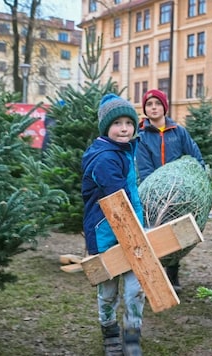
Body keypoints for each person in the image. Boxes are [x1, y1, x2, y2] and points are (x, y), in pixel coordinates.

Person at [81, 93, 145, 356]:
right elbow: (118, 202)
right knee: (108, 291)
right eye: (117, 123)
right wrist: (134, 231)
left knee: (135, 289)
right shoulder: (105, 158)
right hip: (108, 234)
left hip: (131, 230)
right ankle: (110, 333)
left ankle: (132, 335)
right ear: (106, 127)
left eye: (128, 123)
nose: (124, 128)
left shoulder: (123, 151)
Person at [136, 89, 205, 291]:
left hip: (180, 191)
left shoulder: (178, 131)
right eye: (149, 105)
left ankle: (173, 274)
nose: (153, 108)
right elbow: (144, 167)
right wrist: (157, 189)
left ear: (164, 107)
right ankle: (154, 276)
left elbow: (194, 155)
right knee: (154, 232)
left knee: (177, 231)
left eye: (157, 103)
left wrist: (198, 175)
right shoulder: (142, 136)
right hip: (155, 192)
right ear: (145, 109)